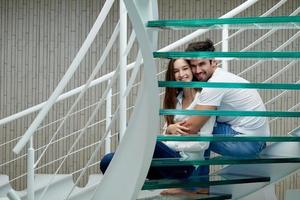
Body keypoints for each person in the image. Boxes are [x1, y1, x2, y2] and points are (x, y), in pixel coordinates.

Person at [99, 58, 215, 195]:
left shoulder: (205, 99)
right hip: (165, 162)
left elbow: (203, 145)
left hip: (184, 165)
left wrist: (166, 143)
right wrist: (169, 129)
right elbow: (166, 134)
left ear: (191, 70)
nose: (181, 74)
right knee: (107, 161)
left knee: (137, 133)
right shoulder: (175, 100)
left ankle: (137, 162)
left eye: (185, 68)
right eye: (176, 71)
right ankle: (130, 178)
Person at [177, 39, 270, 159]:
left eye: (202, 64)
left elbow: (191, 128)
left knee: (196, 131)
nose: (197, 71)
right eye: (193, 66)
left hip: (247, 143)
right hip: (256, 141)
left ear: (213, 62)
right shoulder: (221, 77)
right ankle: (197, 175)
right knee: (200, 127)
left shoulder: (215, 84)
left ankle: (192, 174)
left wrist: (170, 128)